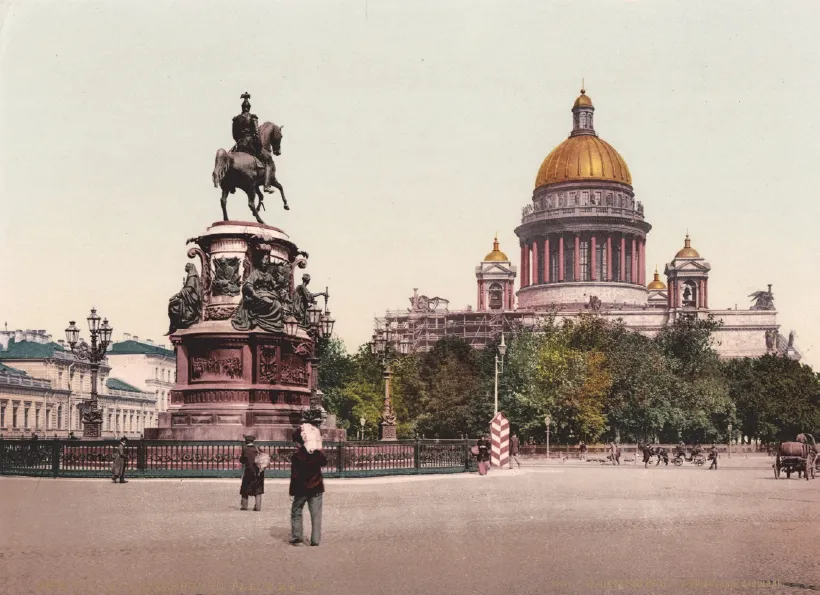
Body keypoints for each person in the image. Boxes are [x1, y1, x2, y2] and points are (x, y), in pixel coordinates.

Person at [290, 428, 327, 546]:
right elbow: (324, 462)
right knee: (316, 514)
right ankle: (315, 540)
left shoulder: (297, 455)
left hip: (302, 489)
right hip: (316, 487)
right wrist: (319, 449)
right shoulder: (316, 453)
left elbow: (294, 476)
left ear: (298, 442)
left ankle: (297, 537)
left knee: (296, 511)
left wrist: (292, 492)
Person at [232, 92, 273, 193]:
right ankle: (266, 186)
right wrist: (259, 144)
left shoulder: (236, 119)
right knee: (268, 160)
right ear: (249, 108)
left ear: (242, 107)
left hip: (240, 144)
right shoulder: (253, 117)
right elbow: (256, 132)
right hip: (250, 144)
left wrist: (239, 141)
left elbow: (234, 134)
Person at [239, 435, 265, 511]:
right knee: (258, 490)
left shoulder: (245, 449)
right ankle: (258, 506)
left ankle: (244, 506)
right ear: (253, 441)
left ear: (246, 441)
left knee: (245, 489)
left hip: (249, 472)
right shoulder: (257, 449)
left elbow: (242, 460)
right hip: (258, 472)